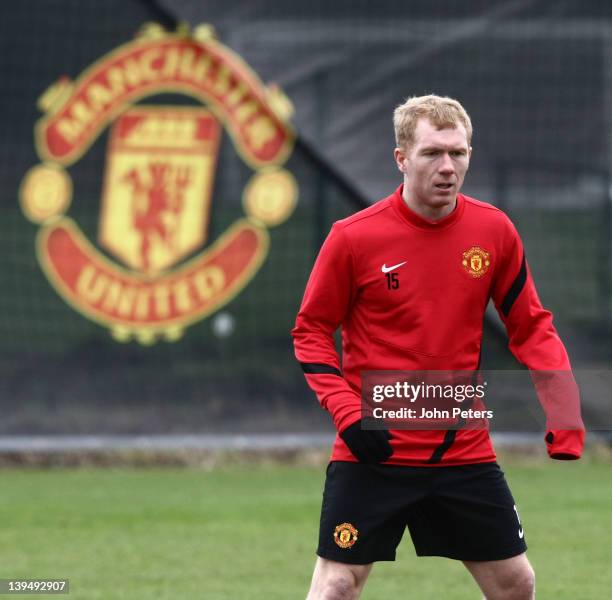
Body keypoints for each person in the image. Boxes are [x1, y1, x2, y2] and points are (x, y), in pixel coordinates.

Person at [291, 94, 585, 600]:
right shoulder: (353, 238)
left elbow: (533, 327)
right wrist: (347, 414)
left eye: (459, 153)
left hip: (461, 449)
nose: (448, 167)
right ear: (401, 158)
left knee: (517, 585)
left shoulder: (493, 232)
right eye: (432, 154)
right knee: (337, 585)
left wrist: (565, 416)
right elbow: (311, 331)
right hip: (373, 452)